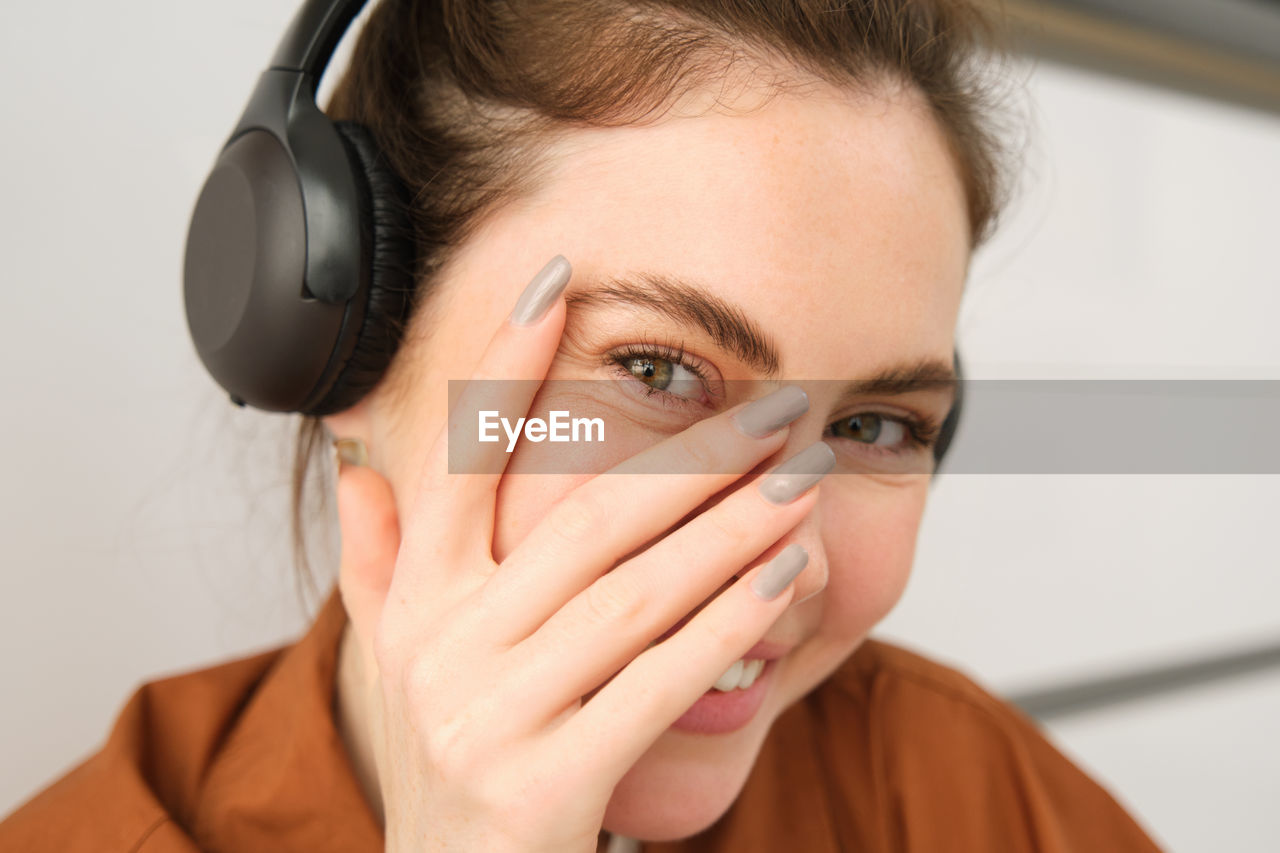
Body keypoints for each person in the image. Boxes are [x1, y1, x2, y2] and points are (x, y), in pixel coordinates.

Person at [1, 0, 1166, 850]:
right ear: (339, 342)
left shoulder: (971, 800)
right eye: (656, 369)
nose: (786, 552)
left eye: (873, 424)